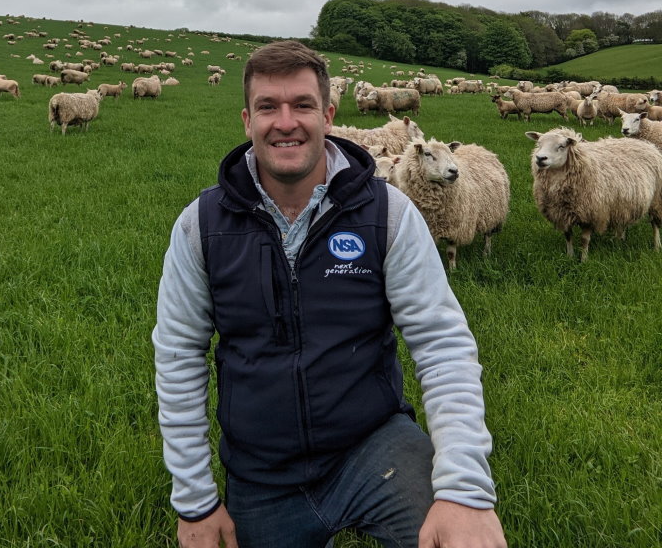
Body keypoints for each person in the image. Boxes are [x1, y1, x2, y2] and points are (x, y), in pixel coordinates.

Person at [153, 40, 506, 548]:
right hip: (262, 469)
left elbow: (442, 345)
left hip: (375, 447)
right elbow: (178, 355)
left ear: (329, 114)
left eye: (302, 105)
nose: (286, 121)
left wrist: (465, 492)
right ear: (246, 121)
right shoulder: (202, 227)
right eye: (268, 107)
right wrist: (195, 503)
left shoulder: (388, 215)